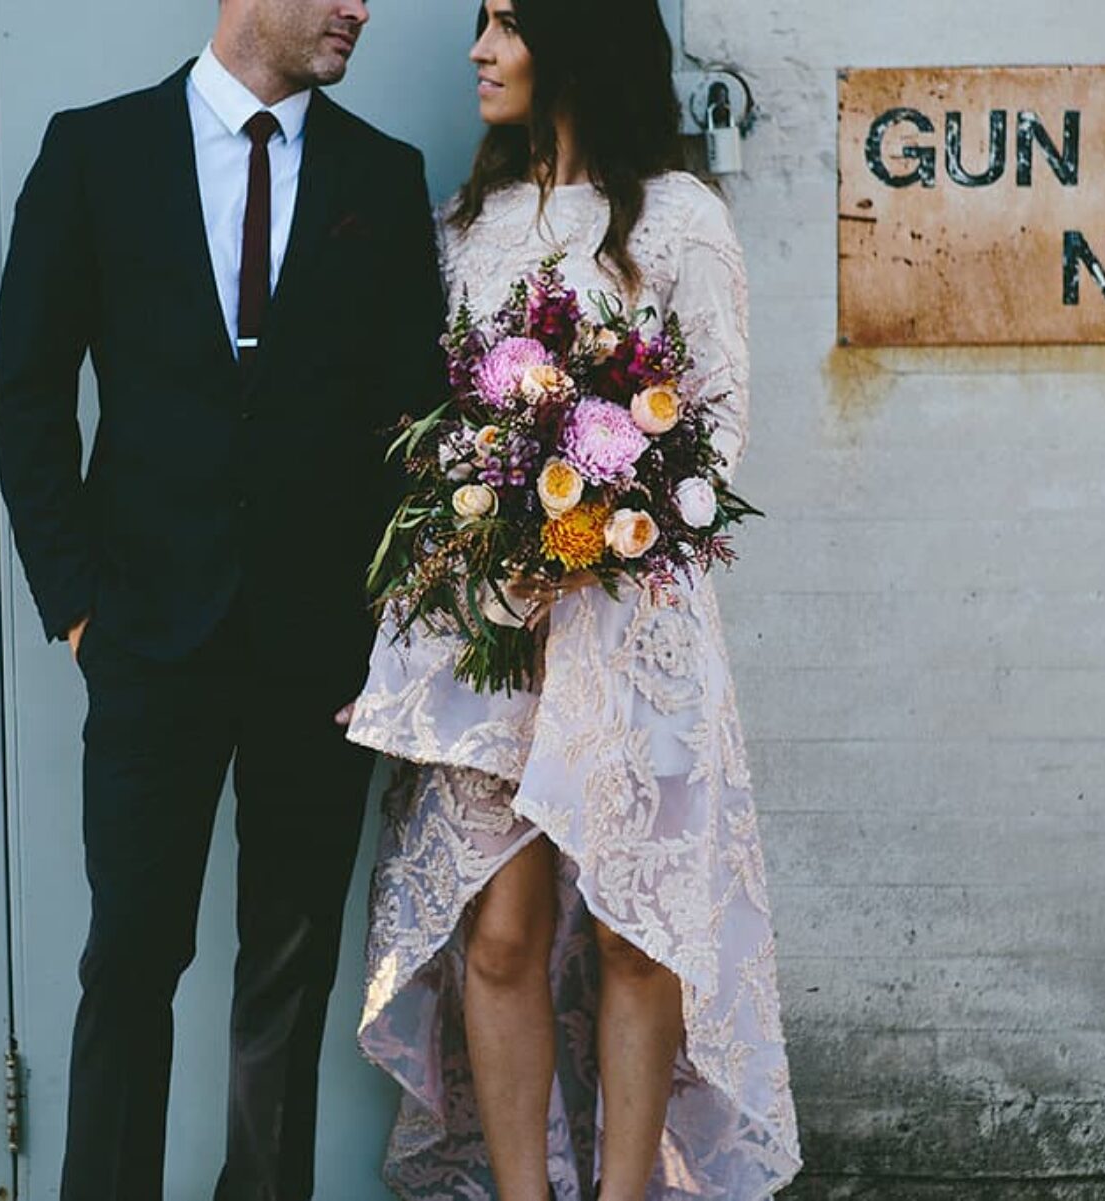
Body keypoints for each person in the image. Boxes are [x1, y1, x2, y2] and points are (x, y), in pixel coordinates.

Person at [340, 0, 804, 1195]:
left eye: (506, 23)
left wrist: (596, 519)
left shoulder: (686, 221)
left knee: (632, 932)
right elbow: (425, 423)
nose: (479, 50)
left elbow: (716, 430)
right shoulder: (465, 228)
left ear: (576, 37)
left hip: (633, 626)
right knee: (497, 937)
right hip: (485, 628)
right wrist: (499, 508)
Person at [0, 0, 445, 1195]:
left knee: (286, 980)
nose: (362, 9)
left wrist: (383, 630)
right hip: (144, 636)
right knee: (129, 961)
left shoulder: (382, 178)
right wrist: (80, 606)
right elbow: (29, 394)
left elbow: (413, 420)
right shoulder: (94, 152)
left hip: (318, 653)